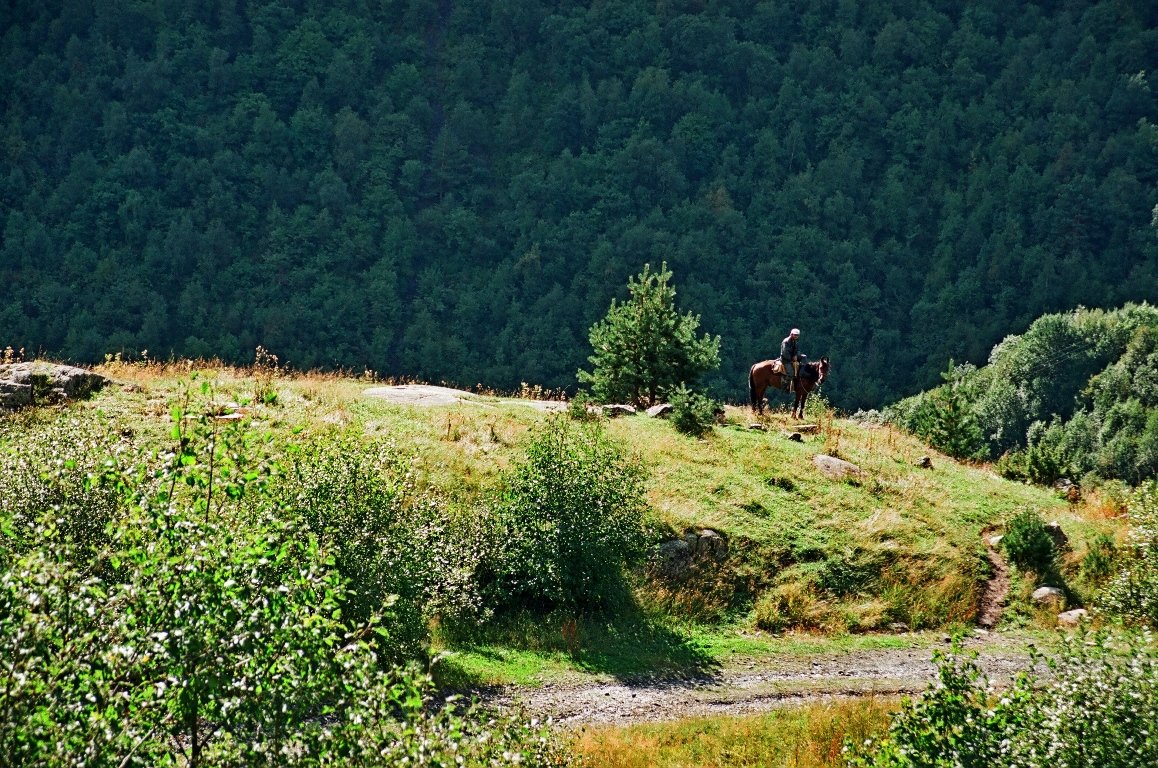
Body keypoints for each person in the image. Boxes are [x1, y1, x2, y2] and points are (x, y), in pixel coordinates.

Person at [780, 328, 800, 393]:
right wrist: (792, 359)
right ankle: (785, 385)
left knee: (804, 357)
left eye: (797, 335)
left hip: (792, 358)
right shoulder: (786, 342)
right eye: (795, 335)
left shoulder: (795, 342)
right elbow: (785, 353)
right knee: (791, 373)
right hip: (785, 360)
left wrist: (796, 355)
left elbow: (796, 351)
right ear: (791, 334)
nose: (796, 336)